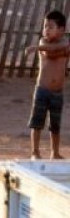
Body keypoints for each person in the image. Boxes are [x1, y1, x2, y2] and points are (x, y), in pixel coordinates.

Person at [24, 9, 69, 160]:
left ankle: (54, 152)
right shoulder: (43, 42)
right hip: (42, 90)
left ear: (62, 30)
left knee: (55, 125)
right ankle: (35, 152)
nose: (46, 30)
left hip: (58, 92)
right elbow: (51, 52)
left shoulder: (64, 42)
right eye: (45, 26)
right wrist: (38, 47)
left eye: (50, 27)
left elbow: (59, 48)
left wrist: (37, 49)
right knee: (37, 123)